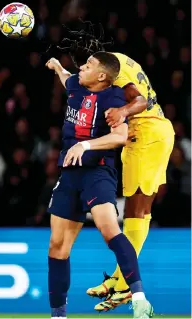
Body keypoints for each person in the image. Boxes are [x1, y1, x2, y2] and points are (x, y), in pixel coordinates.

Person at [45, 51, 153, 319]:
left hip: (98, 172)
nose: (82, 67)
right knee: (57, 246)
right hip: (70, 174)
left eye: (89, 65)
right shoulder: (75, 85)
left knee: (109, 230)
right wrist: (57, 66)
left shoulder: (113, 97)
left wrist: (86, 144)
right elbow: (66, 77)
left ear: (101, 76)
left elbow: (119, 136)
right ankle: (58, 315)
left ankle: (139, 299)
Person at [71, 50, 174, 311]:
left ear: (103, 70)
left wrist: (122, 111)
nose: (84, 66)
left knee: (136, 213)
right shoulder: (119, 59)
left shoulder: (117, 79)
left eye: (88, 63)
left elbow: (139, 100)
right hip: (149, 136)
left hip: (147, 137)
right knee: (136, 213)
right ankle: (120, 280)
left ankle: (124, 284)